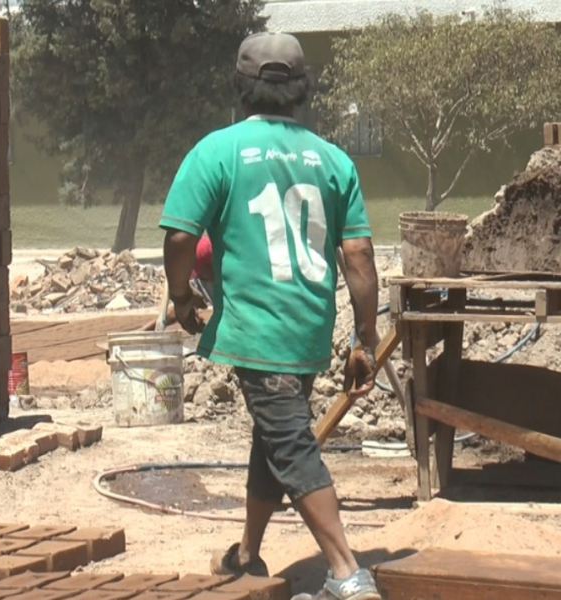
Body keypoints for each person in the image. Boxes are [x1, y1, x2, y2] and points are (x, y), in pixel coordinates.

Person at [158, 32, 381, 600]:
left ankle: (347, 573)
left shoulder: (217, 151)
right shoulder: (334, 160)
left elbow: (181, 235)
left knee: (290, 443)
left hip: (257, 328)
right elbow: (357, 255)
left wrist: (182, 298)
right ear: (302, 90)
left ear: (240, 86)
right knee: (273, 435)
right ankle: (248, 554)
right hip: (307, 326)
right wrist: (365, 336)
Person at [140, 233, 215, 331]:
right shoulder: (201, 281)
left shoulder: (232, 280)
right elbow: (174, 313)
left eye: (204, 270)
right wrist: (141, 331)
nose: (201, 275)